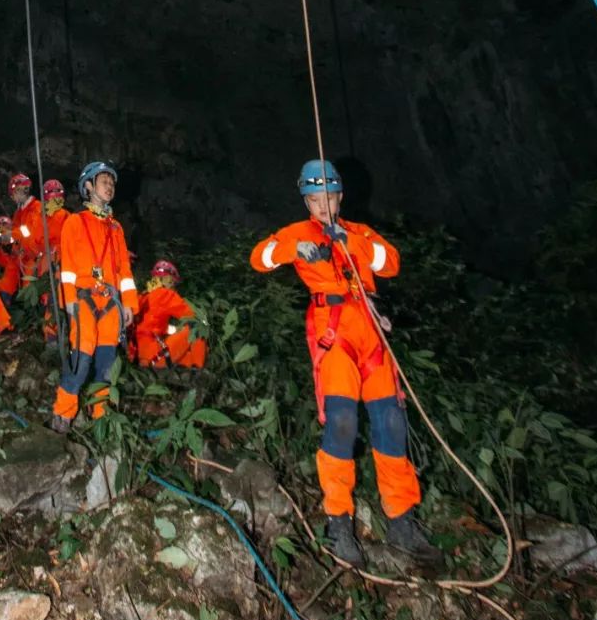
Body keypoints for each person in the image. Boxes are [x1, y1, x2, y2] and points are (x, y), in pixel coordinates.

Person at [250, 158, 437, 568]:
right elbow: (259, 259)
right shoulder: (298, 232)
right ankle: (339, 521)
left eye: (328, 197)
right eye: (313, 199)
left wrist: (348, 242)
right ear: (305, 200)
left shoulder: (358, 232)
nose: (321, 206)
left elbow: (391, 263)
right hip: (332, 330)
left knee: (390, 421)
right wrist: (290, 248)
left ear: (340, 197)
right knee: (341, 422)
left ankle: (401, 520)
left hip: (370, 330)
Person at [51, 162, 137, 432]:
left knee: (107, 363)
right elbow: (66, 271)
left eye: (112, 183)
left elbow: (124, 269)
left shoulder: (116, 229)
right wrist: (70, 303)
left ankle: (100, 417)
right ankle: (63, 414)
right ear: (88, 186)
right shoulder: (74, 222)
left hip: (111, 304)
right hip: (84, 300)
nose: (109, 186)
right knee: (82, 357)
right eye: (103, 181)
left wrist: (129, 304)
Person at [128, 260, 207, 370]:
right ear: (169, 280)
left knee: (186, 358)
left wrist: (175, 331)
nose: (174, 287)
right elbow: (193, 316)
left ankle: (190, 367)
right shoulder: (165, 294)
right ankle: (199, 370)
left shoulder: (143, 296)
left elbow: (151, 326)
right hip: (155, 356)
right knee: (199, 326)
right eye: (173, 283)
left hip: (139, 357)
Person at [35, 180, 68, 342]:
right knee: (53, 302)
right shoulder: (44, 218)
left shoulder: (48, 218)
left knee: (52, 303)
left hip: (56, 267)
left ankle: (54, 338)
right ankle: (55, 338)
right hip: (52, 267)